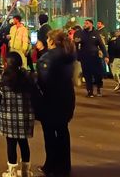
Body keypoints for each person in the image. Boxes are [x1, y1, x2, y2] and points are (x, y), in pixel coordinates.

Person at [37, 29, 76, 177]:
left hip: (50, 99)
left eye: (48, 39)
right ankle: (64, 167)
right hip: (66, 96)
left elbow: (43, 81)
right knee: (63, 132)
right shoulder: (69, 54)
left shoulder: (48, 58)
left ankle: (50, 165)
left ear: (52, 41)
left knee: (49, 133)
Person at [0, 52, 36, 177]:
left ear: (7, 63)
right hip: (25, 116)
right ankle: (26, 171)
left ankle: (12, 172)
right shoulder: (28, 76)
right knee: (24, 143)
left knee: (11, 144)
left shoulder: (3, 78)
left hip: (9, 117)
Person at [75, 19, 108, 97]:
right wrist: (76, 44)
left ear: (91, 25)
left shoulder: (96, 34)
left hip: (95, 57)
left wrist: (106, 55)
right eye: (84, 23)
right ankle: (90, 91)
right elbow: (76, 43)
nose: (85, 24)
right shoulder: (81, 33)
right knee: (87, 75)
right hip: (85, 58)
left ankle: (99, 88)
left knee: (98, 74)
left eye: (87, 23)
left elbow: (102, 45)